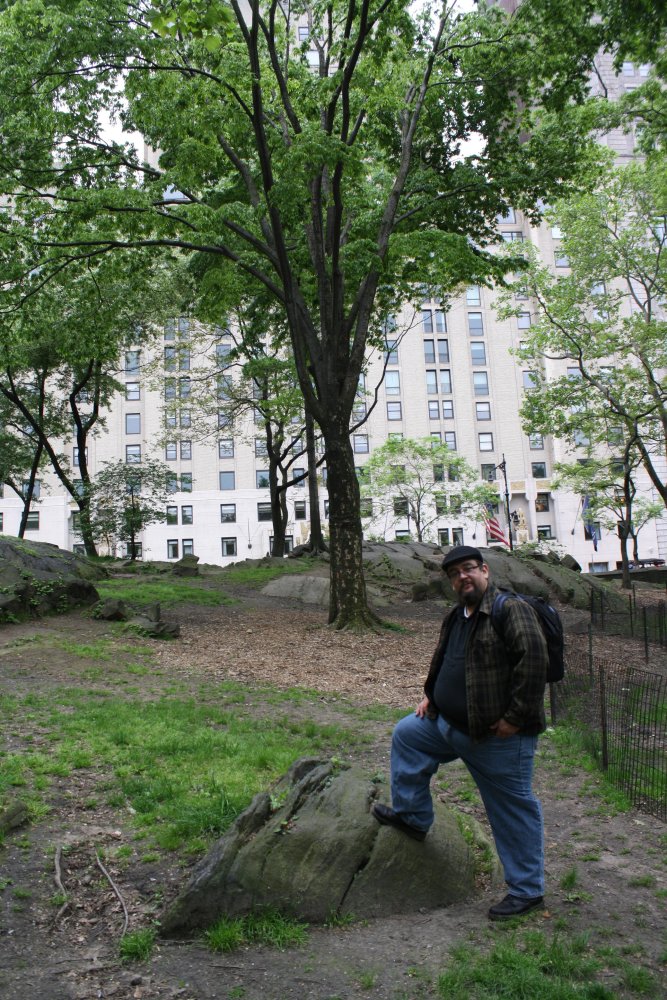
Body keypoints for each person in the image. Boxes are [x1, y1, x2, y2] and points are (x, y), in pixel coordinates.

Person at [372, 545, 549, 920]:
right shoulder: (457, 616)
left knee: (511, 809)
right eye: (454, 574)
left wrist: (515, 718)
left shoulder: (508, 609)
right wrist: (432, 698)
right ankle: (413, 818)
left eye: (468, 569)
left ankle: (527, 890)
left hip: (497, 738)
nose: (462, 577)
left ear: (484, 570)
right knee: (407, 733)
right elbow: (448, 661)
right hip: (447, 726)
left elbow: (533, 661)